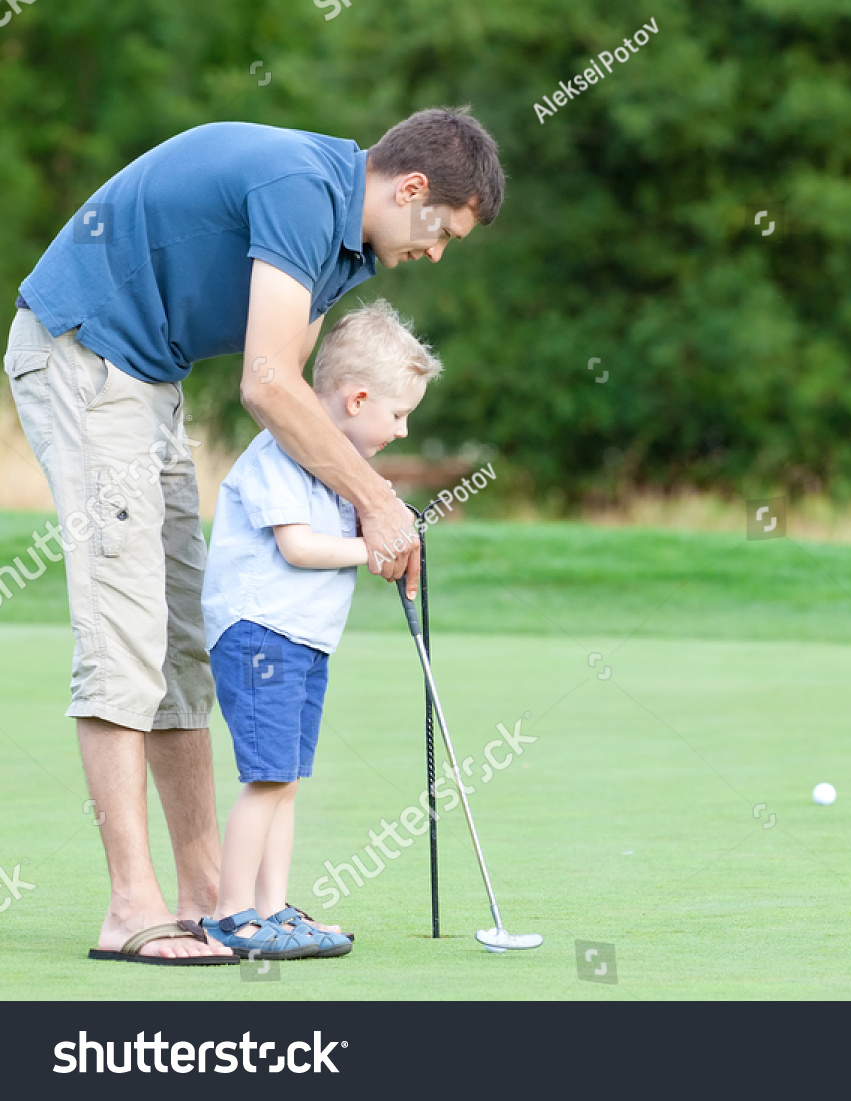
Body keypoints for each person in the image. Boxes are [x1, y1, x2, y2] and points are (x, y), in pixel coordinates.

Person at [3, 107, 502, 964]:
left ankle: (212, 900)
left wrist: (349, 505)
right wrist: (379, 503)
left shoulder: (346, 250)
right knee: (127, 633)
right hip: (82, 354)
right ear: (412, 189)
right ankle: (132, 908)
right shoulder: (306, 193)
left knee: (182, 642)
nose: (436, 253)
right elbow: (266, 385)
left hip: (144, 377)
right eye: (442, 231)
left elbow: (295, 406)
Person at [199, 300, 440, 959]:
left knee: (287, 777)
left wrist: (383, 528)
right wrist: (375, 546)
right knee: (268, 776)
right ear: (358, 398)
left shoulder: (340, 468)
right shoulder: (280, 451)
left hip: (301, 639)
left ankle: (273, 908)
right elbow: (300, 548)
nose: (403, 427)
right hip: (260, 633)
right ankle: (231, 914)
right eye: (398, 414)